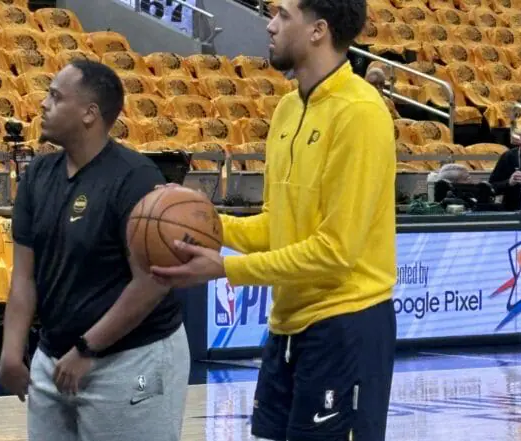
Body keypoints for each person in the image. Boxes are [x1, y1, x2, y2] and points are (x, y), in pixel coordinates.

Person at [151, 0, 398, 439]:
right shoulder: (286, 109)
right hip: (287, 326)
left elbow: (336, 252)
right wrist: (197, 219)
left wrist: (225, 268)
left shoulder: (360, 112)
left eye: (283, 15)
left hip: (346, 326)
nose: (269, 25)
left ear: (318, 30)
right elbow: (275, 225)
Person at [0, 59, 190, 441]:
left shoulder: (134, 178)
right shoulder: (37, 174)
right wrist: (12, 350)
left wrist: (87, 349)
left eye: (55, 96)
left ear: (89, 113)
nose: (43, 105)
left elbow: (151, 283)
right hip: (54, 358)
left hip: (132, 357)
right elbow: (24, 276)